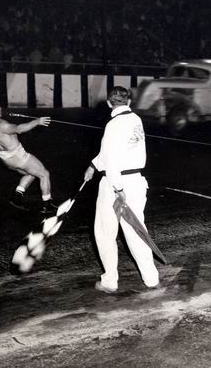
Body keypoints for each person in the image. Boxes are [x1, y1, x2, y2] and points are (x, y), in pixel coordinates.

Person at [83, 86, 159, 293]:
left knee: (105, 232)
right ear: (129, 102)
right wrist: (93, 165)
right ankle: (151, 278)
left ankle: (109, 281)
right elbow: (113, 152)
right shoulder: (136, 120)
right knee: (136, 231)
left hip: (115, 184)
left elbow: (112, 158)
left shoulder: (113, 124)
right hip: (136, 181)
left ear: (109, 103)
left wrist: (117, 189)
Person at [0, 98, 56, 213]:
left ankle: (17, 196)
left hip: (5, 158)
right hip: (18, 156)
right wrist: (37, 121)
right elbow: (19, 129)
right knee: (44, 174)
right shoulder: (0, 124)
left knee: (31, 173)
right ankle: (47, 205)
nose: (1, 108)